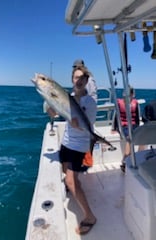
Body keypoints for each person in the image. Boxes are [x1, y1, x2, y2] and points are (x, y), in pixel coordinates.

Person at [47, 65, 97, 235]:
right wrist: (50, 105)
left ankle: (90, 216)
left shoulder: (90, 102)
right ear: (72, 80)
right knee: (65, 170)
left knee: (69, 181)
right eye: (76, 77)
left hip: (79, 145)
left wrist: (76, 125)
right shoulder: (67, 97)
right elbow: (53, 114)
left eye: (82, 78)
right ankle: (76, 185)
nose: (79, 80)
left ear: (86, 81)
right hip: (67, 142)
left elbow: (85, 125)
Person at [112, 87, 140, 173]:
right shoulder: (119, 102)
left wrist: (138, 128)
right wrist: (114, 128)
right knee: (129, 137)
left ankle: (135, 158)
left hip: (134, 126)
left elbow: (137, 117)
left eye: (129, 94)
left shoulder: (136, 103)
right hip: (124, 126)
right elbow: (115, 116)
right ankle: (125, 160)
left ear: (132, 94)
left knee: (141, 135)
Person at [72, 59, 97, 154]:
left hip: (86, 108)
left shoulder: (87, 79)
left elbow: (88, 95)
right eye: (74, 67)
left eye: (76, 67)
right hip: (86, 109)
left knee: (86, 134)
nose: (75, 69)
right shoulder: (88, 78)